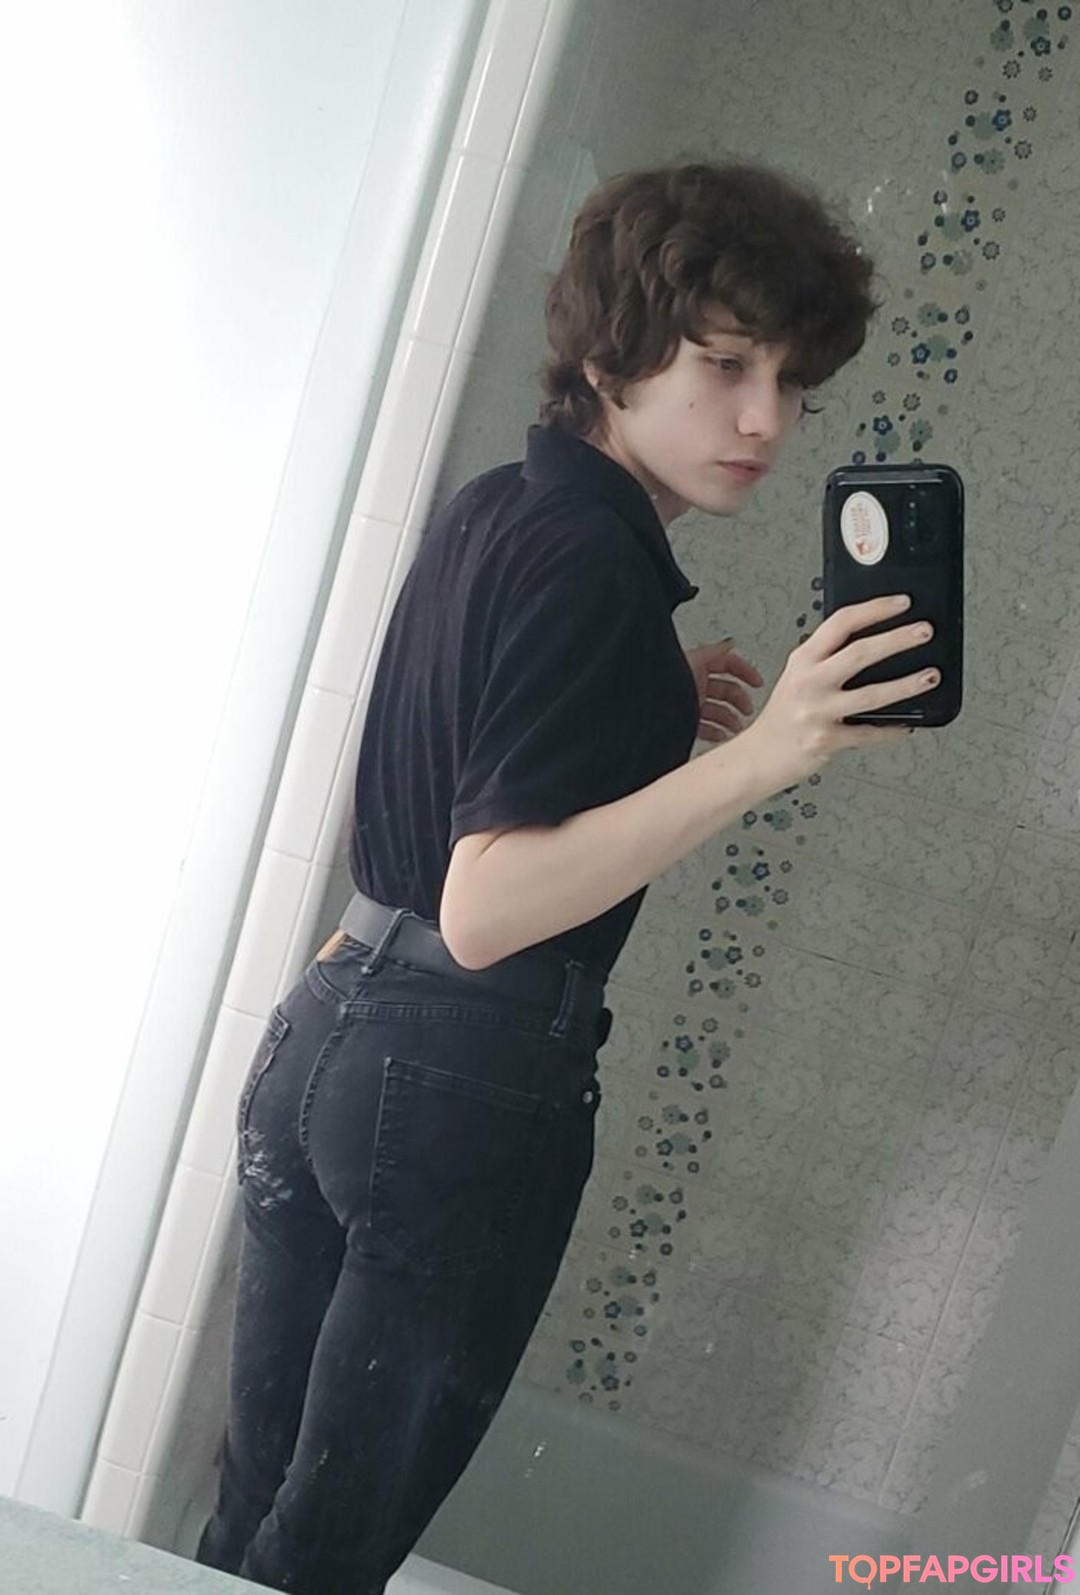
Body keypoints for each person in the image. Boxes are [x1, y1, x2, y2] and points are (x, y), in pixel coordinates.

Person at [195, 159, 937, 1594]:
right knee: (325, 1565)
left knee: (247, 1536)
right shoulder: (595, 563)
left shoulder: (508, 510)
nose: (766, 420)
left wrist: (647, 699)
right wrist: (765, 752)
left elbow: (458, 764)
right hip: (458, 1080)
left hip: (329, 1030)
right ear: (610, 358)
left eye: (792, 381)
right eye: (725, 365)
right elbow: (488, 909)